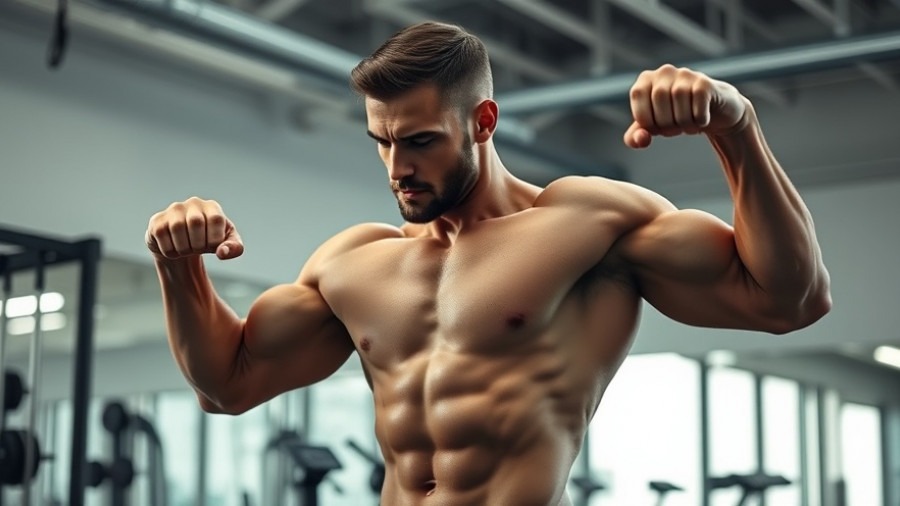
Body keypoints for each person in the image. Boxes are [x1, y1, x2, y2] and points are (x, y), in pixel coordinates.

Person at [145, 21, 831, 506]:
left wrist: (735, 128)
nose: (397, 167)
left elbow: (789, 300)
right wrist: (179, 268)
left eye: (418, 141)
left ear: (483, 121)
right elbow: (227, 385)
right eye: (380, 142)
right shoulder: (355, 261)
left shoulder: (586, 225)